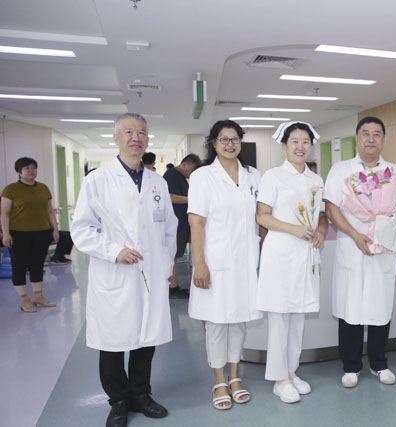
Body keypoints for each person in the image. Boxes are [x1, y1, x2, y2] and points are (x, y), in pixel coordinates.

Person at [71, 113, 177, 427]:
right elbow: (82, 229)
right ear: (116, 139)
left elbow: (169, 228)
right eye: (128, 132)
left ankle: (141, 394)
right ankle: (118, 401)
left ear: (147, 140)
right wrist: (114, 251)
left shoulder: (157, 182)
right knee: (113, 341)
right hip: (114, 272)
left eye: (141, 132)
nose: (136, 137)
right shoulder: (97, 180)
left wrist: (166, 265)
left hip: (151, 273)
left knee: (147, 337)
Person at [324, 116, 396, 388]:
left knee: (380, 305)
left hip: (383, 249)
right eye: (366, 133)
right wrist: (355, 235)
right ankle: (351, 366)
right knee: (350, 307)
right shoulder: (341, 170)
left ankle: (379, 364)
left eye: (377, 134)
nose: (371, 139)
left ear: (383, 139)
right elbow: (331, 208)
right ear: (357, 138)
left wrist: (391, 230)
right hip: (352, 246)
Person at [187, 120, 262, 410]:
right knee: (217, 322)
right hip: (215, 260)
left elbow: (261, 217)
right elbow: (196, 222)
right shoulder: (202, 176)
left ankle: (235, 376)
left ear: (240, 142)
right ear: (214, 143)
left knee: (240, 321)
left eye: (234, 139)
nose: (230, 144)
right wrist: (199, 263)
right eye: (223, 139)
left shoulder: (253, 175)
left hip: (246, 261)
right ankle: (219, 380)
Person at [256, 121, 328, 403]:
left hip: (307, 253)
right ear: (284, 145)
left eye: (305, 141)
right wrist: (293, 229)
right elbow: (262, 216)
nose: (300, 146)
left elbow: (322, 214)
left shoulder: (316, 179)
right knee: (279, 317)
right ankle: (279, 379)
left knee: (299, 316)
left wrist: (320, 230)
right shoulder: (272, 177)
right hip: (281, 253)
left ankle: (291, 370)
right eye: (294, 141)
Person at [1, 157, 60, 312]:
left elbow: (50, 211)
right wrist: (5, 234)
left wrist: (55, 229)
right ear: (19, 172)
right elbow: (4, 213)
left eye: (34, 168)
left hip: (42, 232)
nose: (31, 171)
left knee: (37, 264)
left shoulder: (43, 188)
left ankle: (38, 295)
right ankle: (24, 298)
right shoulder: (11, 189)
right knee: (19, 265)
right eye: (27, 168)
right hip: (18, 233)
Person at [163, 153, 202, 298]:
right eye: (191, 171)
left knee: (175, 255)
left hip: (182, 223)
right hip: (176, 224)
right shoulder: (171, 175)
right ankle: (171, 287)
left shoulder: (181, 178)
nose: (191, 175)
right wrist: (192, 199)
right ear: (185, 164)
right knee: (172, 255)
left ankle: (173, 286)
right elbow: (169, 197)